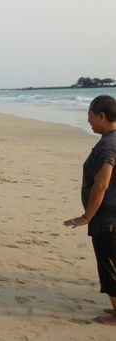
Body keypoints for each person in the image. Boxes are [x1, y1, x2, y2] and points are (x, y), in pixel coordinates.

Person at [64, 95, 116, 326]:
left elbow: (102, 183)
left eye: (90, 117)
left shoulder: (108, 144)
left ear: (102, 116)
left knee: (109, 265)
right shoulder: (111, 139)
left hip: (108, 218)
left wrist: (87, 216)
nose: (89, 122)